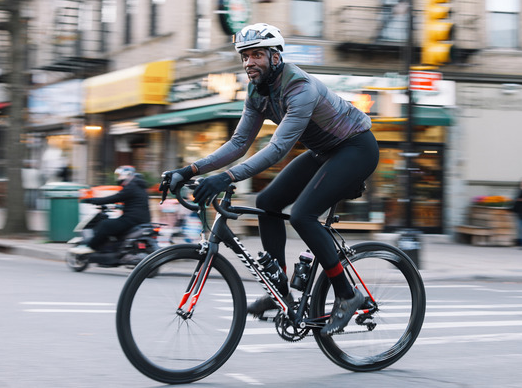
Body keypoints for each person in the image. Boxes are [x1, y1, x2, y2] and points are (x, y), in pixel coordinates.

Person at [162, 23, 379, 336]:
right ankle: (280, 292)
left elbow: (277, 149)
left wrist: (225, 178)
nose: (249, 62)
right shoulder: (256, 92)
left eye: (257, 55)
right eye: (245, 56)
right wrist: (189, 170)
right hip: (323, 151)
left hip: (356, 147)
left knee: (303, 216)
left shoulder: (300, 87)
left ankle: (347, 295)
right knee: (266, 202)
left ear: (275, 57)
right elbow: (238, 143)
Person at [69, 166, 152, 255]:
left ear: (126, 175)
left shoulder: (131, 186)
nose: (118, 177)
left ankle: (90, 247)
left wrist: (94, 200)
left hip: (131, 219)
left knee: (105, 224)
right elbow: (134, 202)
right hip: (143, 219)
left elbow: (116, 197)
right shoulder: (140, 186)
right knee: (115, 227)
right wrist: (118, 207)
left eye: (119, 175)